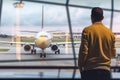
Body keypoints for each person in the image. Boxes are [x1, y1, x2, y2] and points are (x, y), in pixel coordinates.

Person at [78, 7, 116, 80]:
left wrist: (80, 67)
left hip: (89, 72)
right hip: (105, 72)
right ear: (103, 17)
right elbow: (113, 54)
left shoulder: (87, 30)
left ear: (91, 17)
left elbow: (83, 52)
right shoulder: (110, 33)